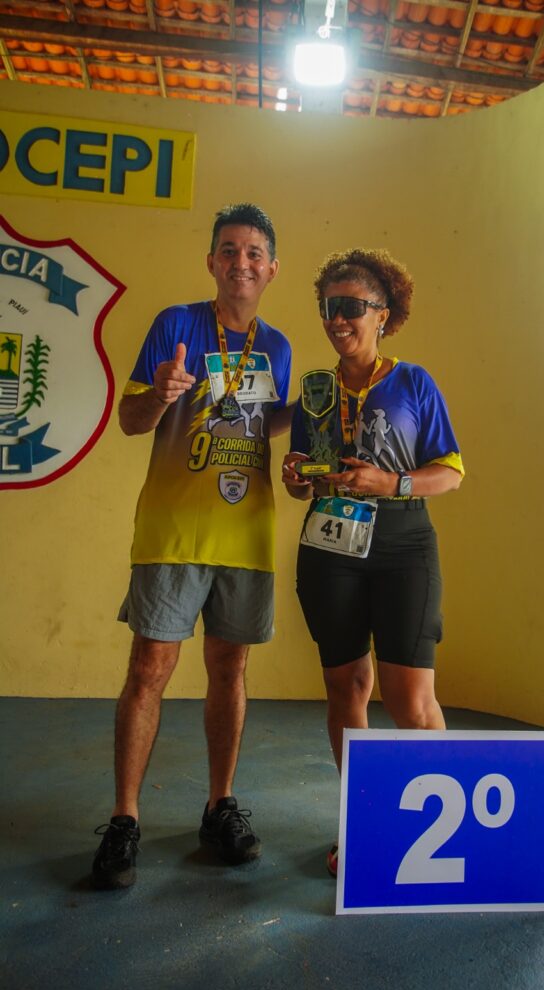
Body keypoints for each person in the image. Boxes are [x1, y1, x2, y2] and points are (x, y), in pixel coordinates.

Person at [91, 203, 292, 890]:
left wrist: (311, 422)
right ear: (211, 261)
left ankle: (219, 806)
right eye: (229, 250)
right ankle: (124, 819)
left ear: (271, 268)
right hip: (172, 530)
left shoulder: (279, 347)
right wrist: (160, 393)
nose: (241, 262)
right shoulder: (175, 324)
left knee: (230, 670)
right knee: (149, 668)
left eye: (254, 252)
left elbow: (261, 423)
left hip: (246, 534)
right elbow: (129, 419)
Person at [282, 248, 464, 876]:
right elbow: (305, 478)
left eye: (351, 306)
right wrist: (298, 477)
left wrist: (393, 483)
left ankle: (437, 834)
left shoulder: (414, 382)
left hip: (403, 544)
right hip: (330, 544)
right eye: (328, 306)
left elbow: (451, 472)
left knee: (410, 699)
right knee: (346, 687)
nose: (338, 318)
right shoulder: (316, 389)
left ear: (383, 314)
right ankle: (362, 821)